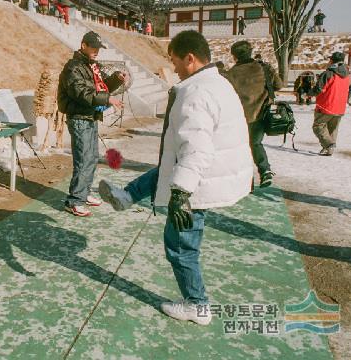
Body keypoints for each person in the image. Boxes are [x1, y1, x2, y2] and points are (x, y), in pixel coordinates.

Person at [99, 30, 253, 324]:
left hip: (199, 180)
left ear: (190, 59)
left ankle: (197, 305)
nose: (174, 69)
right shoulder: (219, 82)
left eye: (175, 62)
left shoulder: (196, 93)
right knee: (166, 171)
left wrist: (181, 194)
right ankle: (128, 195)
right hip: (212, 170)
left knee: (180, 244)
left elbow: (196, 149)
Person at [57, 31, 127, 217]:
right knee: (83, 159)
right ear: (83, 45)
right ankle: (74, 201)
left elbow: (103, 86)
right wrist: (108, 99)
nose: (96, 51)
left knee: (92, 157)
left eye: (98, 48)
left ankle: (84, 193)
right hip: (79, 118)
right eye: (93, 47)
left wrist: (115, 79)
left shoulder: (92, 66)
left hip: (90, 117)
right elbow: (82, 93)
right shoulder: (73, 68)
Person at [224, 40, 282, 187]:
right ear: (250, 52)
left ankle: (246, 182)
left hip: (239, 118)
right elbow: (278, 85)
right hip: (261, 114)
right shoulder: (264, 68)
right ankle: (265, 171)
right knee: (256, 144)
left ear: (234, 56)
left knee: (242, 149)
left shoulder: (231, 74)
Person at [313, 52, 351, 155]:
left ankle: (329, 145)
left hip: (326, 105)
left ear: (332, 61)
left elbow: (319, 89)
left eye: (330, 60)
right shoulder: (347, 74)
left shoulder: (328, 73)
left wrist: (308, 94)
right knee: (332, 129)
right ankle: (329, 149)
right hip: (340, 107)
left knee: (318, 126)